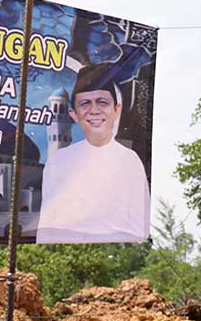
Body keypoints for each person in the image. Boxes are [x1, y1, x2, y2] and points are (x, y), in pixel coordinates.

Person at [37, 62, 150, 244]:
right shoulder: (58, 161)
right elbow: (48, 223)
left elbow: (139, 226)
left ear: (117, 109)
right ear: (74, 114)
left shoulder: (129, 161)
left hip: (116, 255)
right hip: (65, 253)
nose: (94, 110)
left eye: (102, 102)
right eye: (85, 104)